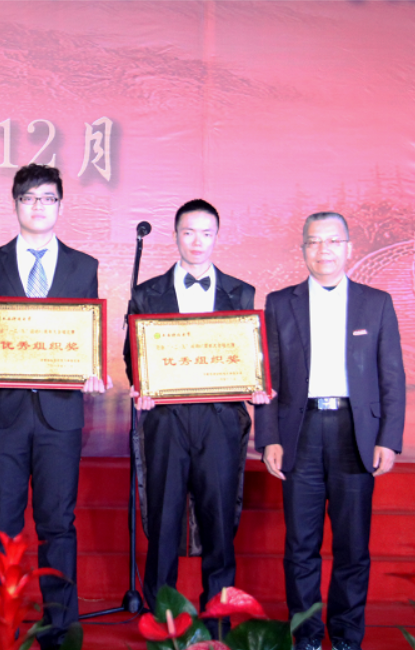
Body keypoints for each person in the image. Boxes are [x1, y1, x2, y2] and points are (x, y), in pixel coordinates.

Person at [0, 163, 109, 650]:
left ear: (61, 205)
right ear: (15, 203)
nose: (38, 206)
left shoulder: (83, 266)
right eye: (29, 197)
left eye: (47, 198)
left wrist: (91, 369)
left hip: (60, 416)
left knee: (58, 525)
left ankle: (60, 632)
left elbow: (86, 335)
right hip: (4, 413)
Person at [254, 212, 406, 650]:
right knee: (301, 545)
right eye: (314, 242)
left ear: (349, 248)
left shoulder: (376, 303)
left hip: (354, 432)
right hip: (298, 431)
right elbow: (268, 376)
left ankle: (345, 637)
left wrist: (388, 438)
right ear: (303, 249)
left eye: (333, 241)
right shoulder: (279, 303)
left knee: (352, 546)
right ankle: (305, 636)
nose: (324, 250)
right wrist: (269, 437)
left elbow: (392, 376)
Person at [124, 199, 267, 637]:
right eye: (189, 232)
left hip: (221, 420)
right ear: (175, 236)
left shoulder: (241, 293)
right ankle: (161, 625)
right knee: (164, 522)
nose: (198, 241)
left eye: (207, 233)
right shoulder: (146, 293)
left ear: (217, 237)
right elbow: (132, 354)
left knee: (219, 523)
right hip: (165, 421)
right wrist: (141, 385)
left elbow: (251, 356)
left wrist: (256, 381)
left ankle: (218, 626)